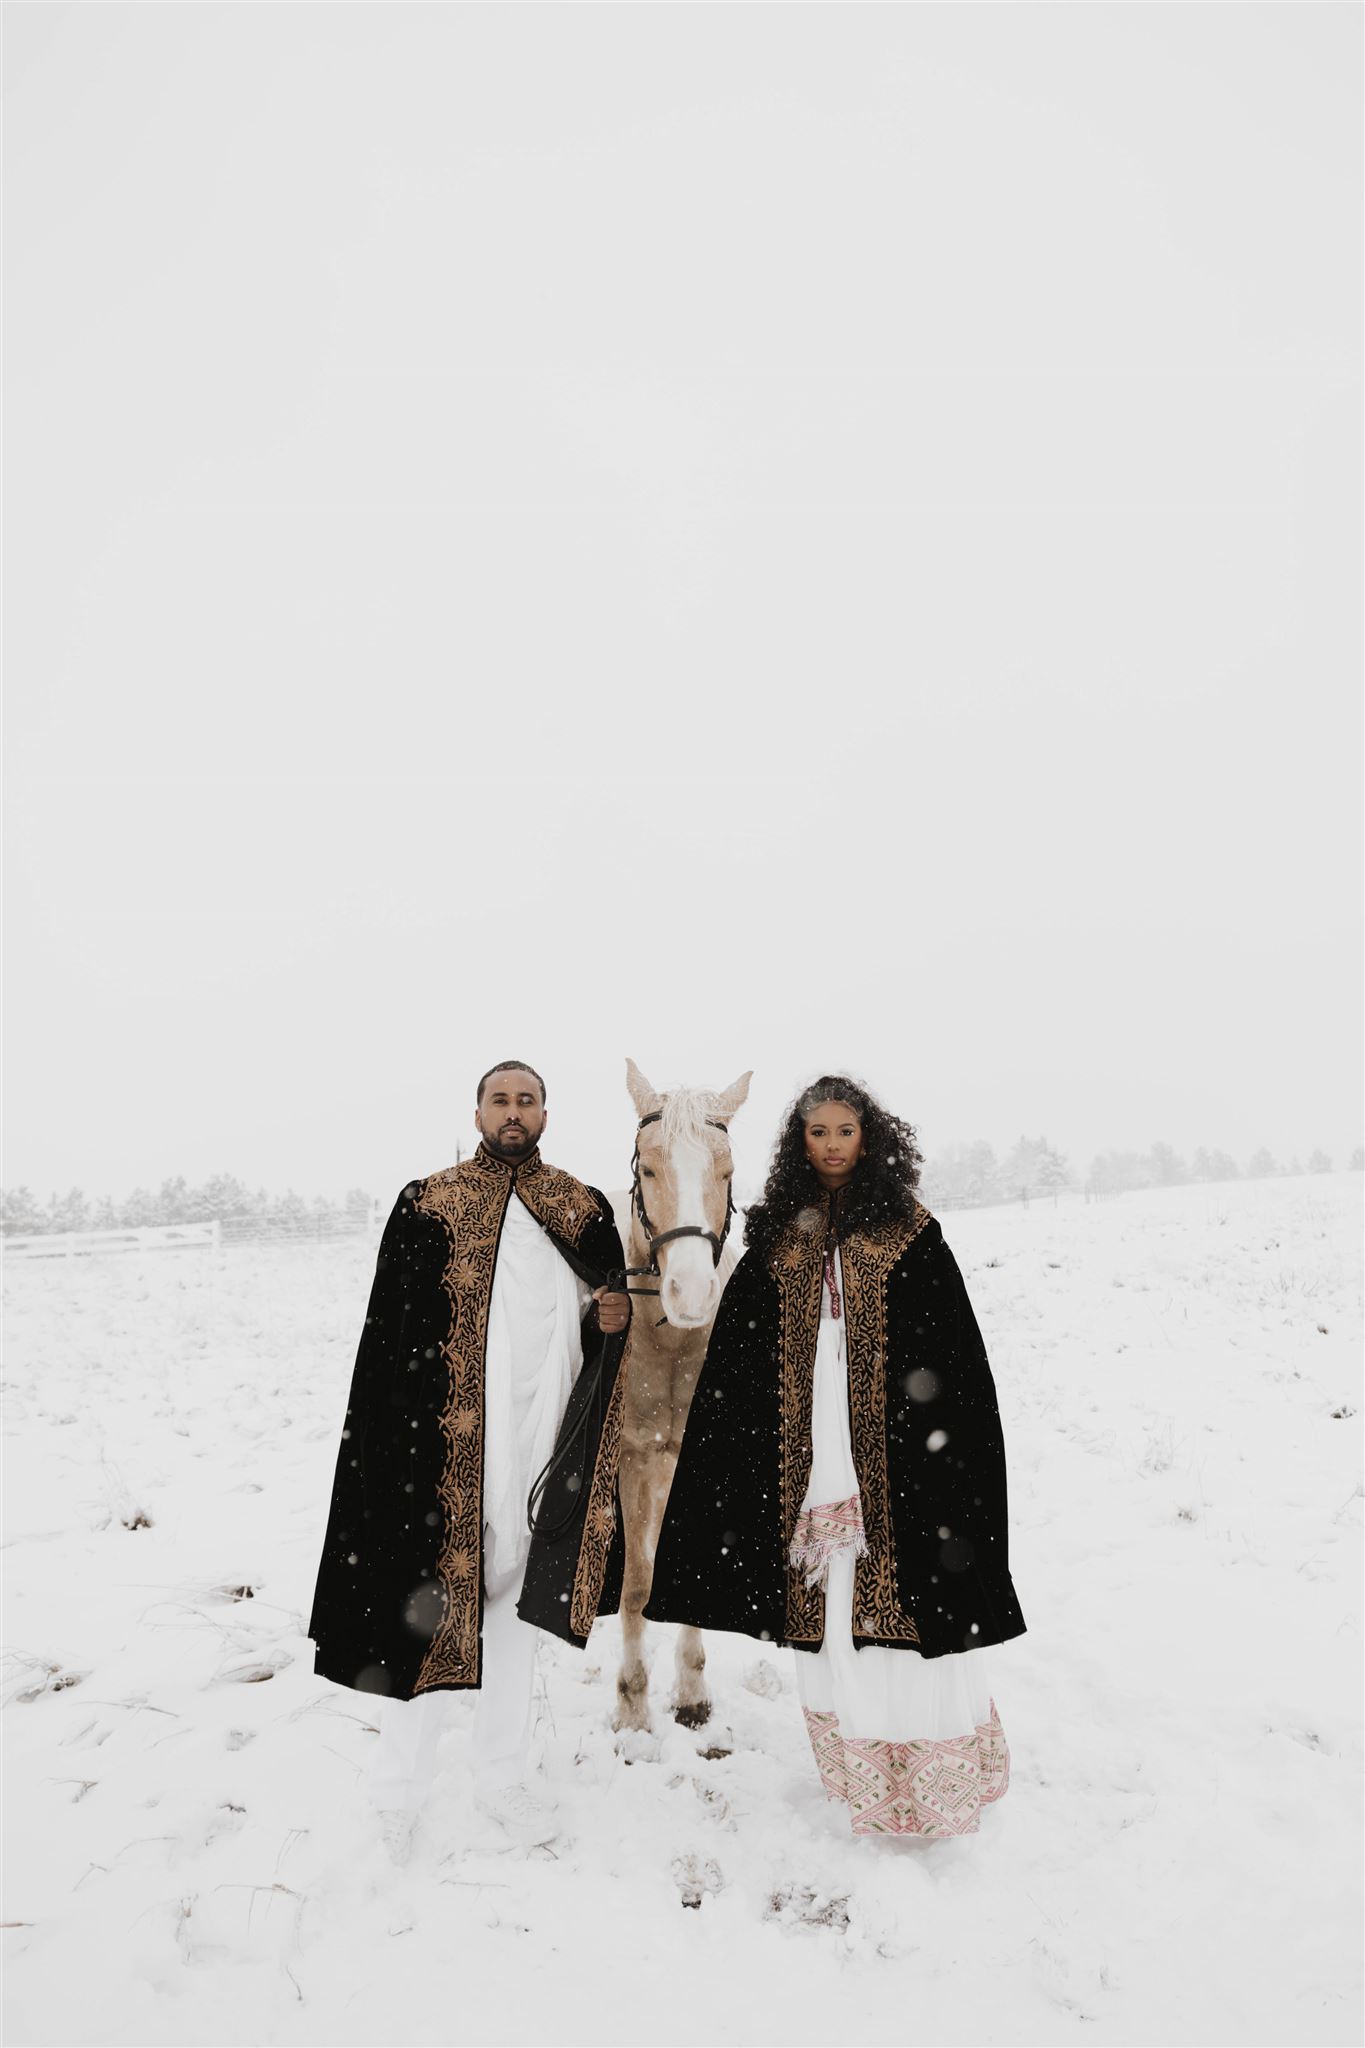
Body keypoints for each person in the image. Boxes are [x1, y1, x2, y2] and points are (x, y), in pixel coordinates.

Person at [644, 1074, 1027, 1840]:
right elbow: (740, 1360)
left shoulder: (909, 1230)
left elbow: (954, 1357)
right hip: (807, 1462)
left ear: (869, 1137)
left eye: (843, 1131)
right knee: (835, 1614)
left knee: (914, 1613)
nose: (829, 1146)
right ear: (799, 1143)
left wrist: (935, 1454)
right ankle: (863, 1781)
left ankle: (934, 1784)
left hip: (900, 1462)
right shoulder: (780, 1235)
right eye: (815, 1133)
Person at [307, 1061, 631, 1858]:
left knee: (517, 1610)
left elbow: (603, 1318)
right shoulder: (429, 1202)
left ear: (546, 1113)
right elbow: (386, 1340)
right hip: (443, 1447)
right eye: (500, 1100)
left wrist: (613, 1317)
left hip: (544, 1437)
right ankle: (395, 1791)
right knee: (426, 1614)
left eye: (527, 1100)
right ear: (478, 1110)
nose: (513, 1112)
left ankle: (502, 1775)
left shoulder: (583, 1208)